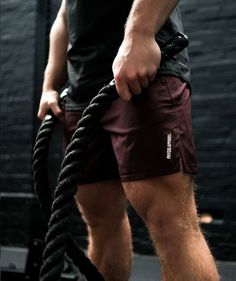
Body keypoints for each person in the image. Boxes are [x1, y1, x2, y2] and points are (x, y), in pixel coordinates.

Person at [38, 0, 220, 280]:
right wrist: (50, 84)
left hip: (144, 75)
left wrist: (140, 34)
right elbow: (65, 12)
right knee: (100, 221)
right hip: (81, 91)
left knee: (169, 221)